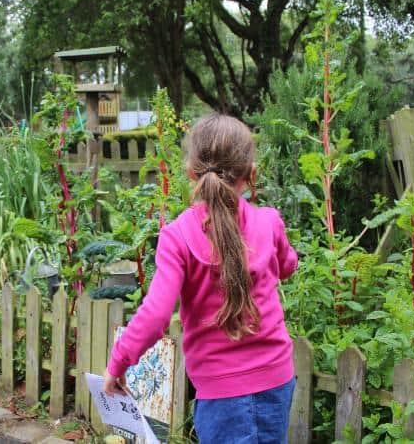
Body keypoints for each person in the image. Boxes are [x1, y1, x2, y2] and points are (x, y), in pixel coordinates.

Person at [103, 114, 298, 443]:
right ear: (251, 174)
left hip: (221, 396)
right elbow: (288, 265)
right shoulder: (269, 222)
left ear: (191, 172)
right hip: (277, 381)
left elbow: (156, 314)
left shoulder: (177, 236)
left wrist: (118, 363)